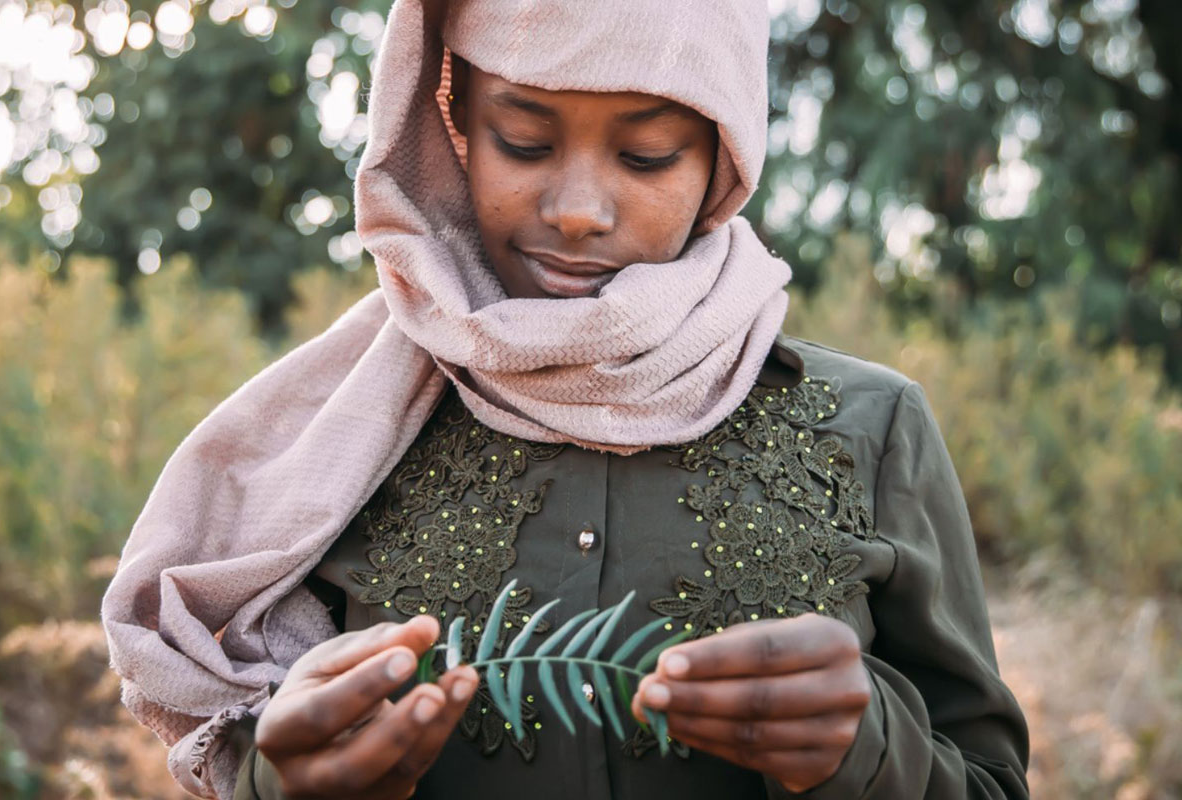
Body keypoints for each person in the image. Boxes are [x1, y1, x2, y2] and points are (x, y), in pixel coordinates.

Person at [101, 0, 1031, 798]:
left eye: (647, 154)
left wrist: (865, 744)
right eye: (526, 140)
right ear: (455, 125)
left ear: (722, 160)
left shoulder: (868, 425)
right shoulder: (340, 434)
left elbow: (989, 781)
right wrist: (286, 776)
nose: (579, 207)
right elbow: (266, 750)